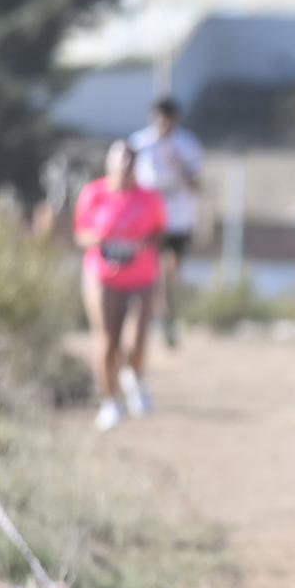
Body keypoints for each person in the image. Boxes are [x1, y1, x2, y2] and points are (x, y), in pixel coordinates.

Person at [73, 141, 166, 432]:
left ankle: (134, 375)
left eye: (129, 160)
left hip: (140, 276)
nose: (124, 165)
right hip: (101, 275)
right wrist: (102, 239)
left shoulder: (149, 199)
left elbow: (159, 234)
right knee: (107, 340)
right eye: (119, 159)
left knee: (135, 340)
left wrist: (139, 246)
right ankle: (110, 402)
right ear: (109, 163)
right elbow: (81, 235)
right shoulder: (93, 194)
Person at [129, 97, 205, 349]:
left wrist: (179, 166)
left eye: (168, 120)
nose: (163, 125)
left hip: (178, 221)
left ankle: (164, 314)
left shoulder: (188, 145)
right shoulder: (139, 143)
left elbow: (197, 186)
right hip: (148, 222)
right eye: (159, 119)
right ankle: (153, 317)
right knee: (152, 271)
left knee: (169, 274)